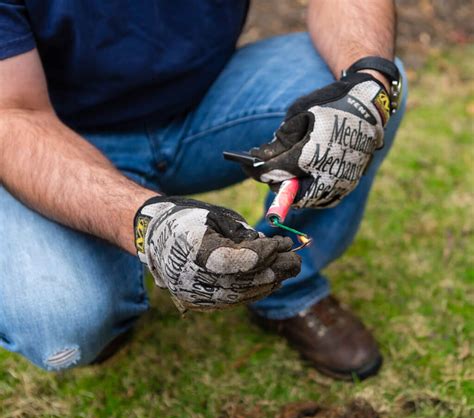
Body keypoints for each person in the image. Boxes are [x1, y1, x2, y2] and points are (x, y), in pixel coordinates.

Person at [0, 0, 406, 380]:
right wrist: (146, 225)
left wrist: (365, 86)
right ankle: (113, 305)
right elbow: (13, 113)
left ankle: (287, 286)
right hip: (61, 136)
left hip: (205, 102)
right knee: (60, 318)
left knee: (367, 89)